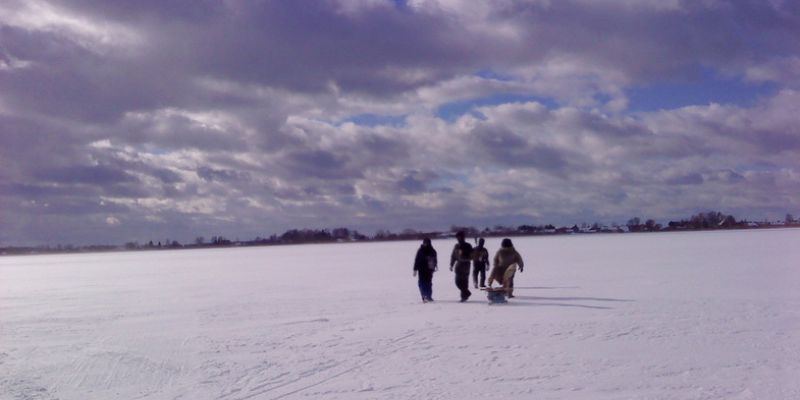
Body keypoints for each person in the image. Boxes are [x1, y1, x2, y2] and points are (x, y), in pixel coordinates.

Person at [450, 231, 473, 302]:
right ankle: (466, 293)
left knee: (464, 282)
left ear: (463, 237)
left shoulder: (468, 245)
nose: (458, 238)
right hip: (459, 265)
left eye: (459, 237)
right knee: (458, 282)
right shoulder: (456, 246)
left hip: (466, 265)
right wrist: (451, 264)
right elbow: (453, 256)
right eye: (457, 237)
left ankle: (464, 297)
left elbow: (472, 255)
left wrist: (466, 256)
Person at [413, 237, 437, 302]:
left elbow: (434, 260)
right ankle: (424, 295)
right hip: (421, 269)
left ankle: (428, 296)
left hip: (429, 270)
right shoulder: (420, 251)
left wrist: (434, 267)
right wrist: (415, 269)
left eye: (427, 243)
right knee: (421, 283)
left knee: (428, 283)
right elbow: (417, 260)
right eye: (424, 243)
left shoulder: (432, 251)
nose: (425, 244)